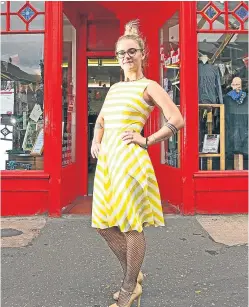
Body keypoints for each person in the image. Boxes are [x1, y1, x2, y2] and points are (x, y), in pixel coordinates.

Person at [90, 19, 184, 307]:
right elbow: (102, 121)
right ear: (117, 59)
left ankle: (130, 287)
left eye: (132, 51)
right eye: (121, 53)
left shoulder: (150, 86)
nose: (127, 57)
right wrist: (96, 139)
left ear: (143, 54)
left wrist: (147, 140)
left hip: (130, 162)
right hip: (107, 163)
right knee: (104, 226)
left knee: (132, 226)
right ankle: (134, 272)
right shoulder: (114, 89)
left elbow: (178, 119)